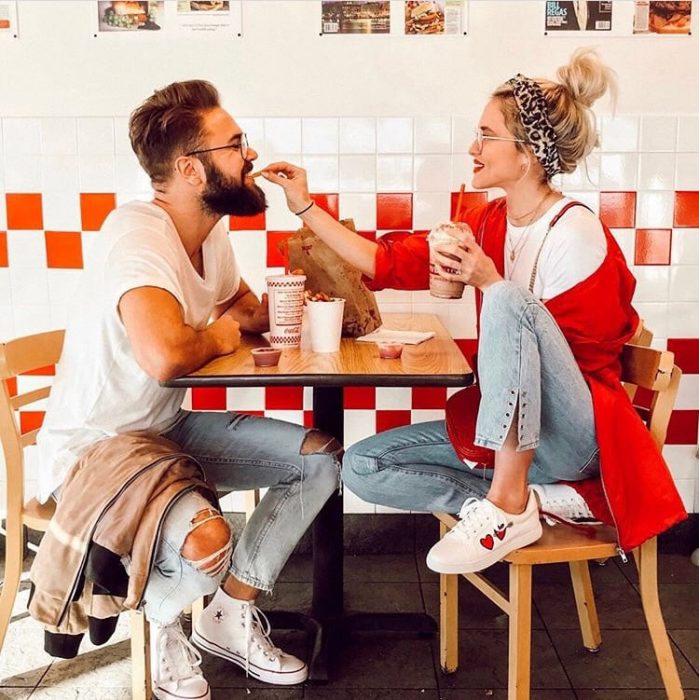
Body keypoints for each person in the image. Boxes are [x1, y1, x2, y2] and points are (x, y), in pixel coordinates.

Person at [261, 48, 686, 575]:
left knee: (507, 298)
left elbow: (571, 363)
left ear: (527, 153)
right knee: (364, 466)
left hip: (575, 437)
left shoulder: (576, 232)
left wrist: (490, 281)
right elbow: (385, 262)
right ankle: (530, 505)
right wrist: (303, 205)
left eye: (486, 136)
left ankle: (511, 501)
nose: (473, 147)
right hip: (509, 430)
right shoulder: (488, 222)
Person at [36, 80, 342, 699]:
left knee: (318, 461)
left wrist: (284, 301)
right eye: (235, 146)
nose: (249, 155)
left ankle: (227, 616)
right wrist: (227, 331)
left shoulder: (208, 230)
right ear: (189, 170)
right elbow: (167, 357)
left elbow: (241, 308)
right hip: (102, 452)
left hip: (163, 432)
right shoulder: (137, 235)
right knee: (208, 540)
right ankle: (164, 623)